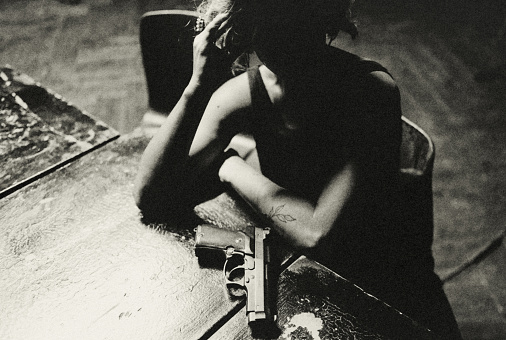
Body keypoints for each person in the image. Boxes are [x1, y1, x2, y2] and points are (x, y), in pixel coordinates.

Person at [133, 0, 462, 338]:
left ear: (325, 18)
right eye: (269, 24)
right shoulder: (244, 93)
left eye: (297, 21)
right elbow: (149, 195)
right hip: (309, 277)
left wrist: (233, 168)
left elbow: (317, 233)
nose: (287, 39)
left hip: (387, 282)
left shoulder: (370, 91)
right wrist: (197, 88)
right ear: (247, 30)